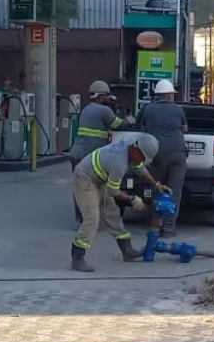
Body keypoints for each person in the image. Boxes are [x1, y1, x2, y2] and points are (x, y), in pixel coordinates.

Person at [70, 133, 164, 272]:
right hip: (85, 179)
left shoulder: (131, 151)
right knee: (92, 218)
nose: (142, 161)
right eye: (142, 158)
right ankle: (77, 258)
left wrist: (156, 184)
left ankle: (127, 250)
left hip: (99, 180)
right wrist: (132, 199)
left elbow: (140, 169)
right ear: (136, 150)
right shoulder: (119, 163)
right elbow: (113, 191)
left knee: (112, 214)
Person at [138, 79, 189, 236]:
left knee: (157, 188)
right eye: (172, 95)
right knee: (175, 191)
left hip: (157, 154)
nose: (173, 97)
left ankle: (156, 225)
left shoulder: (148, 109)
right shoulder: (178, 109)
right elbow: (185, 129)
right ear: (167, 96)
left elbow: (142, 128)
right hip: (178, 154)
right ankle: (169, 228)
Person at [68, 81, 125, 164]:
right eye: (106, 95)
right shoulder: (104, 110)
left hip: (76, 154)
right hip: (89, 156)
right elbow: (117, 125)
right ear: (100, 96)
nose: (108, 98)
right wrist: (128, 121)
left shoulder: (86, 109)